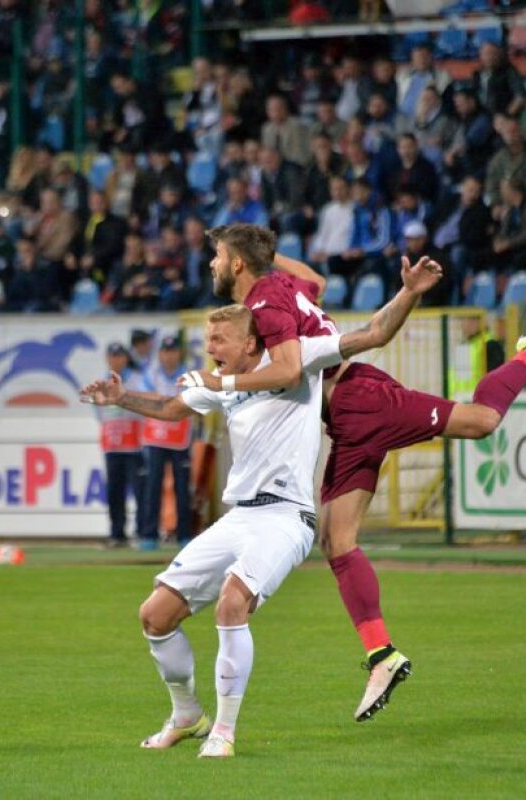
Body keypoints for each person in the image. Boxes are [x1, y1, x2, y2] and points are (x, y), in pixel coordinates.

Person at [184, 223, 526, 719]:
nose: (211, 263)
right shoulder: (283, 290)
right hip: (346, 421)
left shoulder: (266, 304)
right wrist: (267, 259)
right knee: (337, 540)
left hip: (363, 402)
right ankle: (381, 653)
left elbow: (292, 367)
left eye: (218, 255)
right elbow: (314, 278)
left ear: (235, 264)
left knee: (482, 421)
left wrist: (222, 380)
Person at [80, 256, 439, 758]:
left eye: (218, 342)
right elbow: (169, 407)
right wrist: (122, 398)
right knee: (155, 615)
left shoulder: (301, 360)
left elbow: (374, 333)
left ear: (250, 342)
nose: (210, 352)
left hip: (287, 517)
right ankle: (187, 715)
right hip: (240, 517)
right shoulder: (222, 385)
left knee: (232, 603)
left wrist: (410, 292)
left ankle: (224, 732)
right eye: (208, 344)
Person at [139, 336, 194, 549]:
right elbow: (146, 400)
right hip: (156, 437)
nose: (169, 356)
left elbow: (191, 403)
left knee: (182, 488)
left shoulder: (188, 375)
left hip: (181, 438)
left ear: (179, 353)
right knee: (152, 486)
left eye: (173, 352)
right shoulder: (150, 374)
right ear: (160, 354)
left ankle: (184, 535)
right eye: (165, 352)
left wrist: (166, 405)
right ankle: (149, 535)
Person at [96, 343, 148, 548]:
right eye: (112, 356)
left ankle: (142, 532)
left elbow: (142, 406)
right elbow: (99, 412)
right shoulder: (102, 382)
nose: (115, 360)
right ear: (107, 358)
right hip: (112, 444)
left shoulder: (136, 379)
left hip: (134, 444)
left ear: (125, 358)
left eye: (119, 356)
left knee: (139, 490)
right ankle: (117, 533)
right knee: (114, 491)